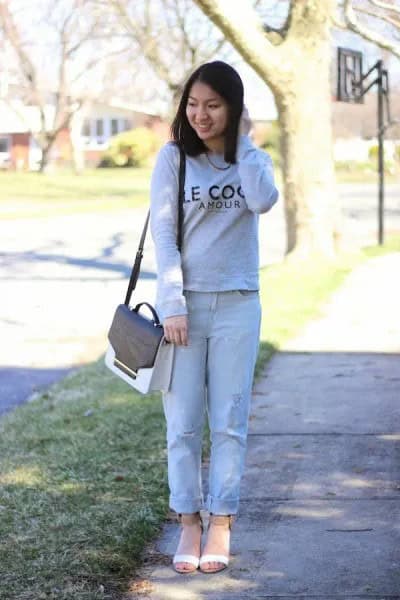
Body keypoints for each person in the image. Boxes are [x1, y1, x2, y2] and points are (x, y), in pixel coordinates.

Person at [150, 60, 279, 575]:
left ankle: (221, 521)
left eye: (214, 105)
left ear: (234, 108)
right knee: (181, 426)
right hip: (186, 310)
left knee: (230, 424)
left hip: (239, 305)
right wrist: (174, 304)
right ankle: (187, 520)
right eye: (193, 104)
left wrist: (243, 142)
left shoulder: (252, 160)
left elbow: (264, 201)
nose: (200, 115)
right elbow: (164, 235)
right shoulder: (173, 159)